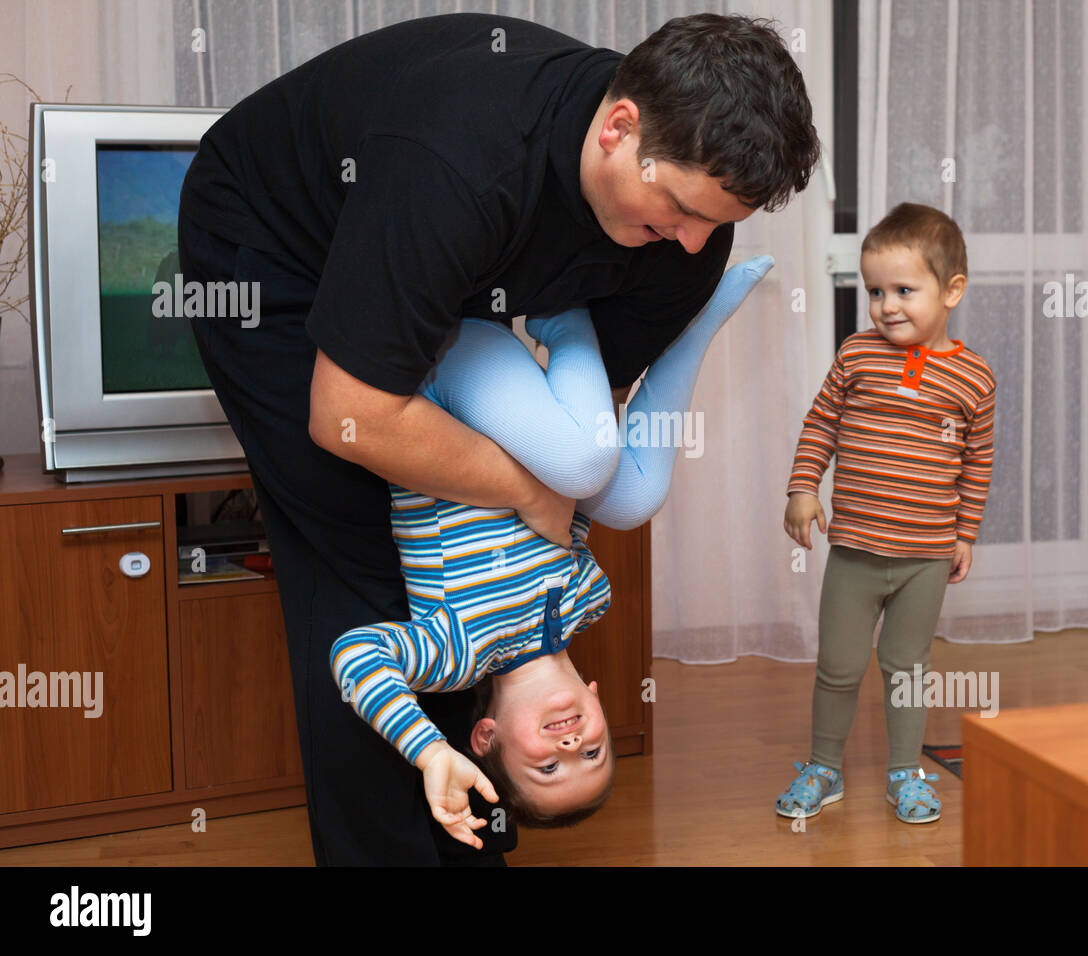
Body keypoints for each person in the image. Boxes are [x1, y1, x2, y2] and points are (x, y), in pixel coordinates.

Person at [176, 11, 820, 864]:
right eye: (680, 209)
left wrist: (551, 489)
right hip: (274, 246)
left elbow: (589, 418)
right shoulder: (461, 163)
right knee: (364, 566)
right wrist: (525, 490)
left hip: (431, 275)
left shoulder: (688, 238)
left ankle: (478, 824)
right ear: (619, 129)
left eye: (716, 222)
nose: (695, 243)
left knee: (495, 563)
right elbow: (351, 416)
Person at [331, 256, 773, 848]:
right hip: (511, 416)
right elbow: (575, 509)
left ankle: (564, 314)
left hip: (441, 391)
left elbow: (356, 655)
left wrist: (431, 751)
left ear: (485, 737)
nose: (571, 746)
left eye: (548, 766)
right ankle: (688, 336)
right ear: (597, 703)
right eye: (594, 751)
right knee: (633, 498)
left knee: (584, 460)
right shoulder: (588, 601)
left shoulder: (456, 656)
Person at [777, 203, 996, 825]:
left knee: (907, 668)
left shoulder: (975, 377)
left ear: (952, 290)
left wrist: (966, 534)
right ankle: (823, 767)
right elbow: (820, 423)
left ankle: (905, 771)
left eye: (904, 290)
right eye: (876, 291)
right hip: (854, 550)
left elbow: (978, 461)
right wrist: (803, 489)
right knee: (839, 667)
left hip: (926, 555)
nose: (887, 305)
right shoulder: (857, 355)